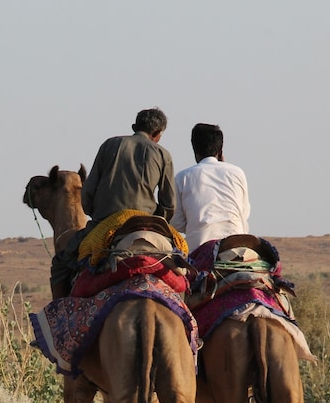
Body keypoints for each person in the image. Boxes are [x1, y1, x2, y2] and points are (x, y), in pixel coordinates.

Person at [49, 108, 176, 298]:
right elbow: (168, 205)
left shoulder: (110, 145)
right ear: (158, 134)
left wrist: (97, 213)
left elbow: (88, 192)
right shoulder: (163, 154)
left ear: (134, 127)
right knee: (181, 262)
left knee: (60, 264)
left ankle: (60, 314)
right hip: (146, 223)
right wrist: (154, 221)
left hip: (105, 223)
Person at [170, 122, 250, 251]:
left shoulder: (182, 177)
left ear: (195, 150)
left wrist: (196, 224)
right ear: (220, 151)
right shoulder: (237, 172)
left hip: (199, 248)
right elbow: (244, 214)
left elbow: (177, 223)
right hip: (237, 245)